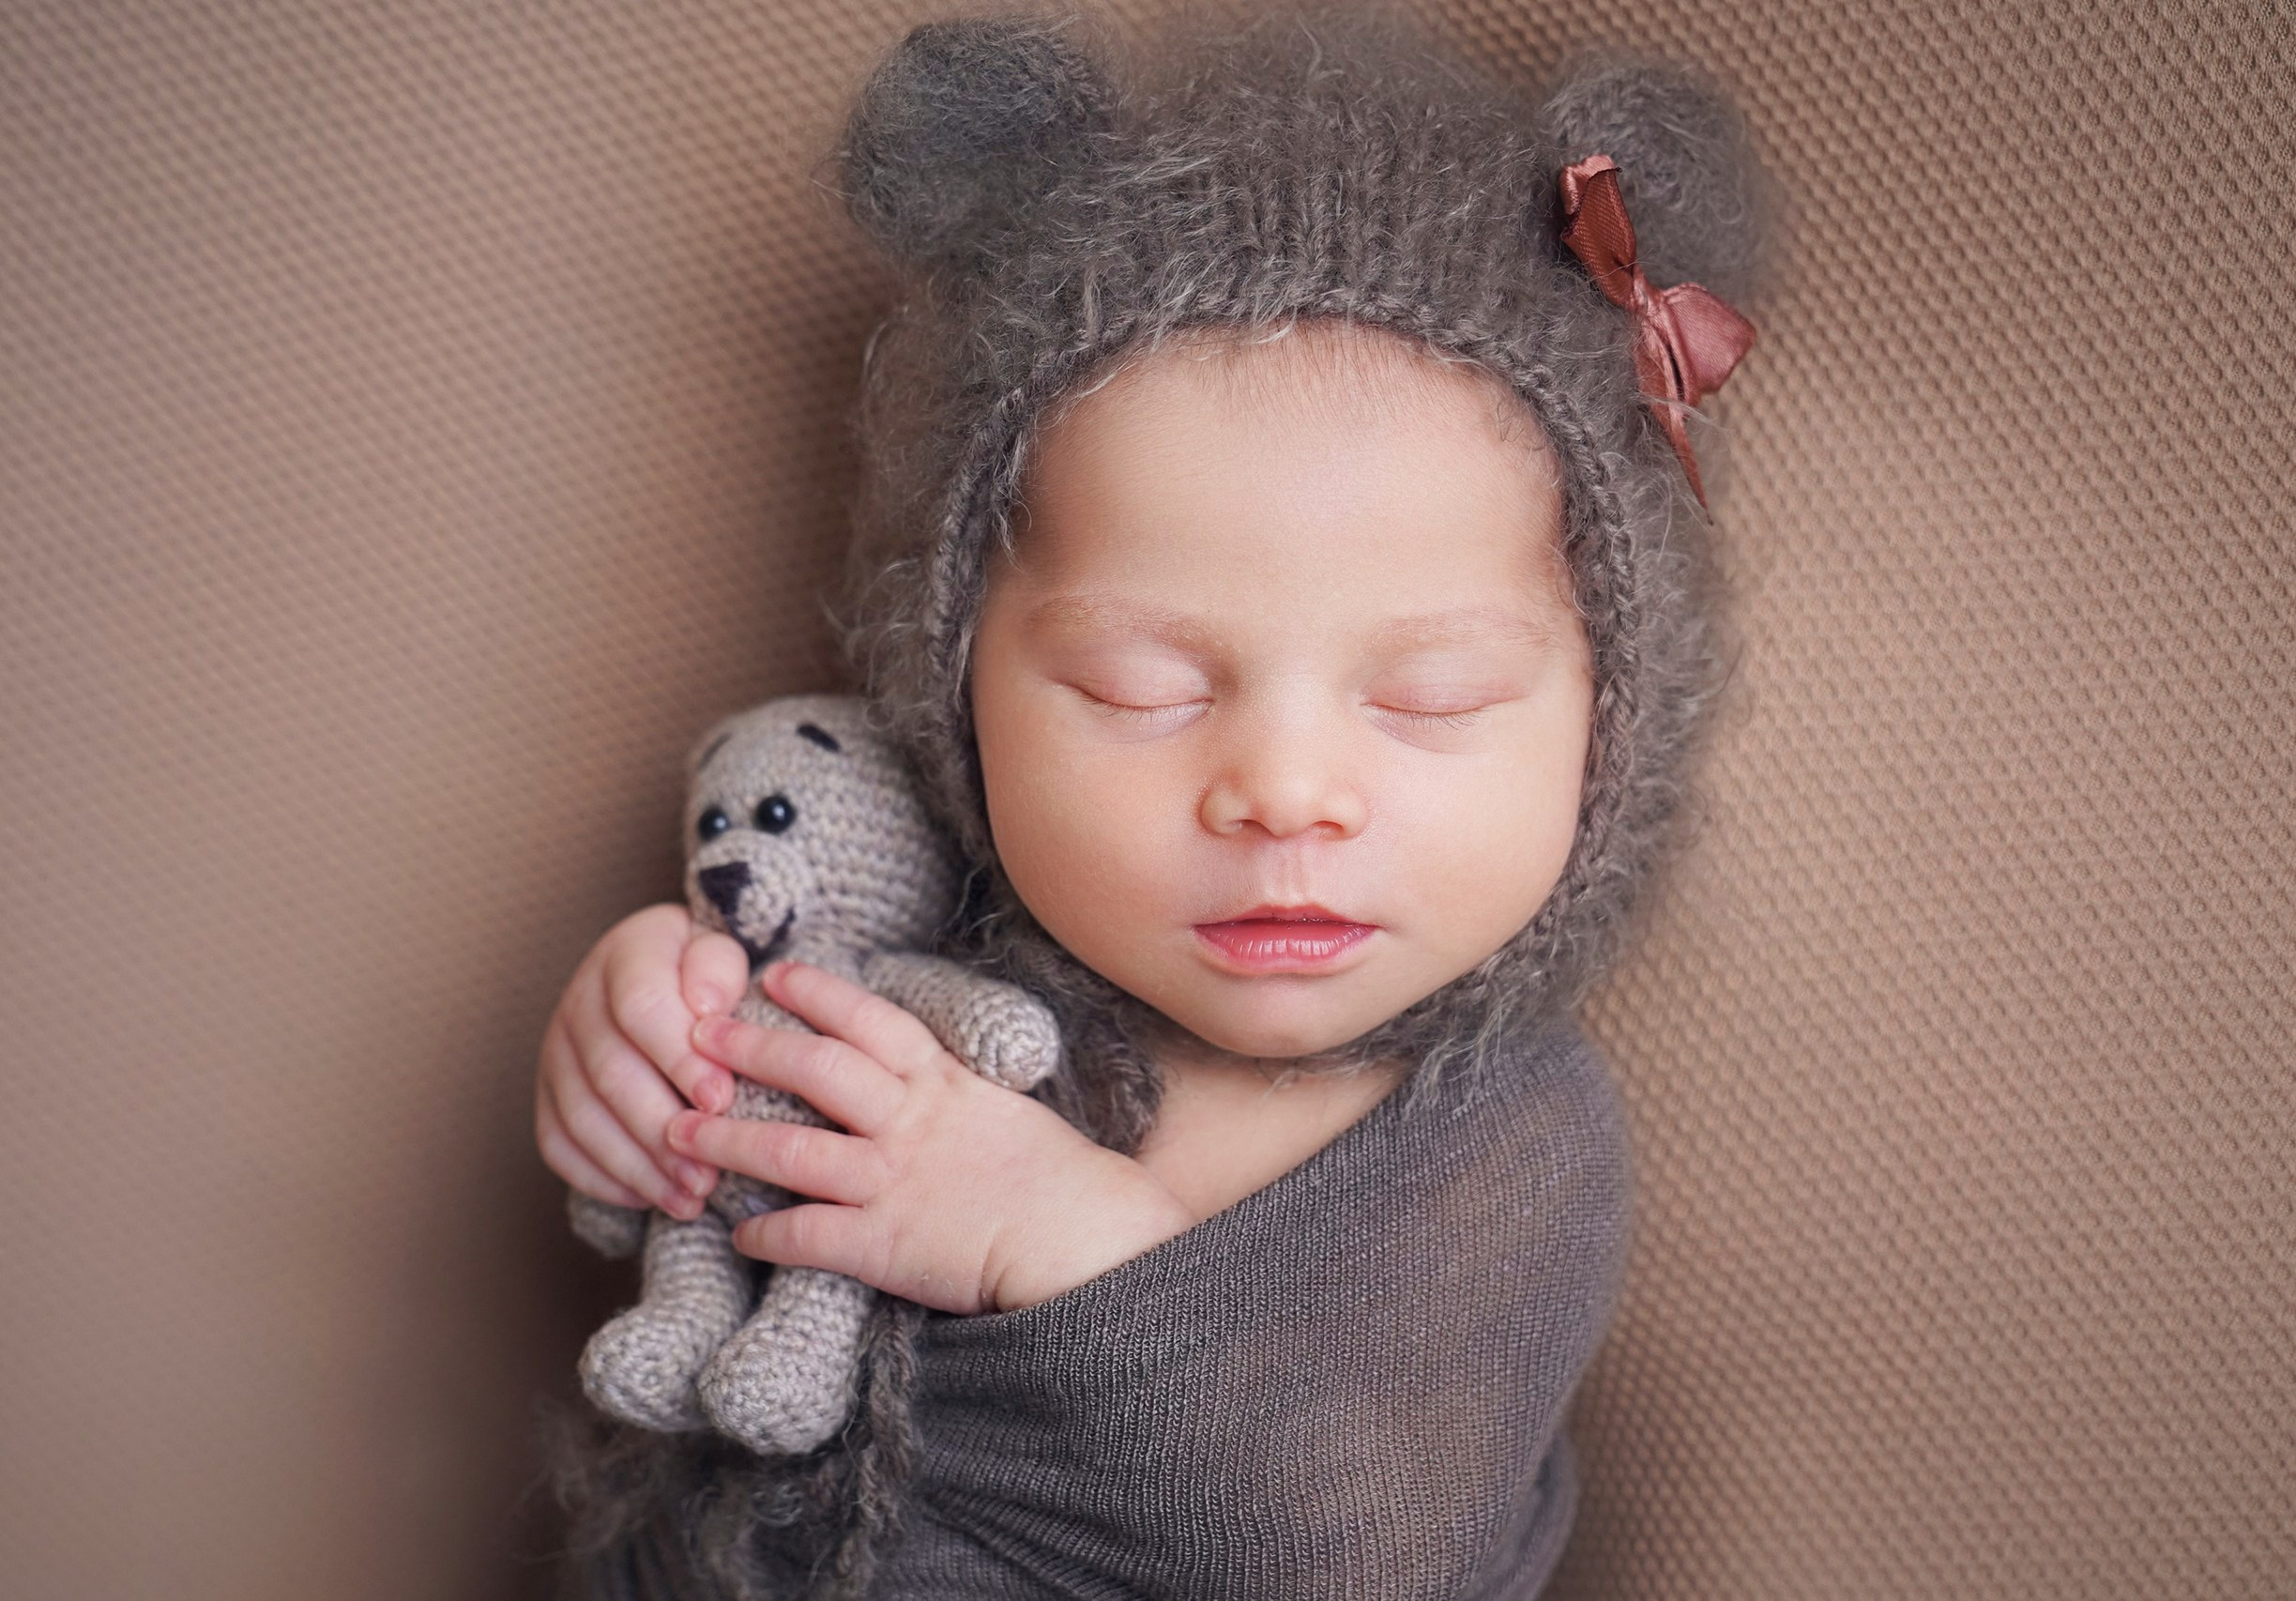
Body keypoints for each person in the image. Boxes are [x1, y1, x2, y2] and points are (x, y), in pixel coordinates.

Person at [535, 5, 1769, 1596]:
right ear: (958, 680)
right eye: (1138, 687)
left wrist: (1058, 1244)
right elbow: (730, 1208)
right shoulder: (923, 951)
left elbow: (1368, 1550)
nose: (1284, 792)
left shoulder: (1508, 1140)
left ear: (1611, 729)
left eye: (1433, 695)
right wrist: (658, 1058)